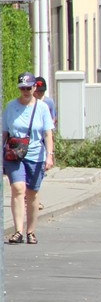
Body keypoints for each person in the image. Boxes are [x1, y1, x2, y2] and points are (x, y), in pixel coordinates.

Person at [3, 72, 55, 245]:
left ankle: (30, 231)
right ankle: (18, 231)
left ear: (34, 88)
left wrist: (49, 156)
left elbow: (47, 134)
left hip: (35, 154)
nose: (25, 91)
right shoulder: (11, 106)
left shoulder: (42, 107)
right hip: (14, 154)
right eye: (22, 88)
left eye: (28, 88)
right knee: (18, 189)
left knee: (32, 193)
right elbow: (4, 132)